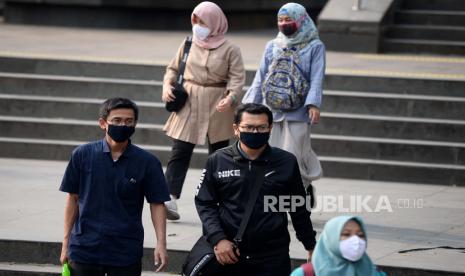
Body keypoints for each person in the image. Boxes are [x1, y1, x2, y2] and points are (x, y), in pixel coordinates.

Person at [195, 103, 317, 275]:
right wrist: (218, 239)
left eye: (261, 128)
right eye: (249, 127)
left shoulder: (286, 162)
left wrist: (310, 245)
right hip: (229, 252)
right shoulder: (217, 160)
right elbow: (205, 203)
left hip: (272, 256)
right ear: (236, 128)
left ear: (270, 128)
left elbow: (298, 207)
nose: (255, 132)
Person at [59, 98, 170, 276]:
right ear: (103, 123)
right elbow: (73, 198)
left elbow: (157, 203)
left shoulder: (147, 162)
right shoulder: (82, 155)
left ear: (135, 125)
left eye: (129, 121)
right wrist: (65, 244)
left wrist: (161, 243)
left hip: (125, 252)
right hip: (84, 249)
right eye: (117, 121)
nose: (123, 125)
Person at [162, 1, 245, 221]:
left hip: (218, 104)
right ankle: (169, 196)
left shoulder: (230, 49)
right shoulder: (188, 43)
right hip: (189, 101)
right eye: (195, 20)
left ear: (215, 23)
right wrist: (167, 86)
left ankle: (219, 199)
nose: (198, 25)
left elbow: (237, 79)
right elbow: (172, 68)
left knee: (219, 154)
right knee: (180, 149)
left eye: (203, 21)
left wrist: (231, 98)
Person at [242, 3, 325, 202]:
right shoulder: (272, 45)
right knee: (272, 154)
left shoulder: (315, 46)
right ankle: (280, 198)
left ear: (301, 20)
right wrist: (250, 105)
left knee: (294, 154)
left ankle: (303, 187)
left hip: (299, 111)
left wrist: (313, 104)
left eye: (288, 20)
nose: (284, 24)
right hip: (271, 109)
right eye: (280, 20)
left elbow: (317, 77)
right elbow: (261, 76)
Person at [291, 216, 387, 276]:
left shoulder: (376, 273)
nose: (356, 240)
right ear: (331, 239)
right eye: (346, 234)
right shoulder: (305, 274)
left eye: (360, 235)